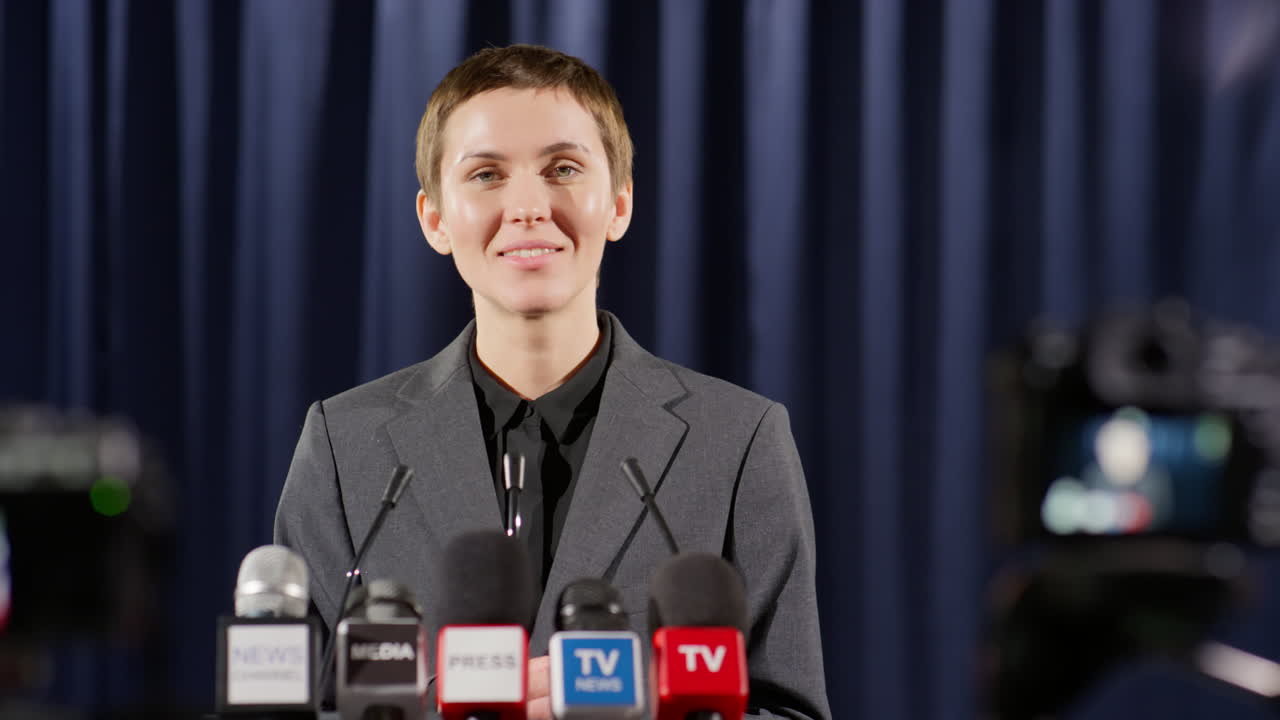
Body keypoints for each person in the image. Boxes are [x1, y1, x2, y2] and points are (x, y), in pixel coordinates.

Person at [275, 44, 829, 719]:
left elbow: (793, 710)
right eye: (486, 174)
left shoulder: (739, 440)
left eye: (563, 168)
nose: (528, 206)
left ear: (619, 203)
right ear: (434, 219)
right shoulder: (343, 446)